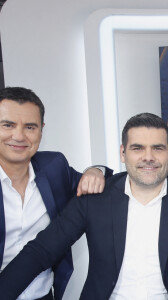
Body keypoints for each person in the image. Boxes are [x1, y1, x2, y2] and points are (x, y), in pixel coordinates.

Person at [0, 112, 168, 300]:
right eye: (137, 148)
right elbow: (42, 251)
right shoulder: (95, 196)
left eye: (158, 148)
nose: (148, 157)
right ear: (123, 153)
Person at [0, 87, 113, 300]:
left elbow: (96, 183)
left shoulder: (54, 166)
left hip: (44, 295)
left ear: (41, 130)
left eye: (30, 127)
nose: (19, 136)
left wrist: (96, 170)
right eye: (8, 125)